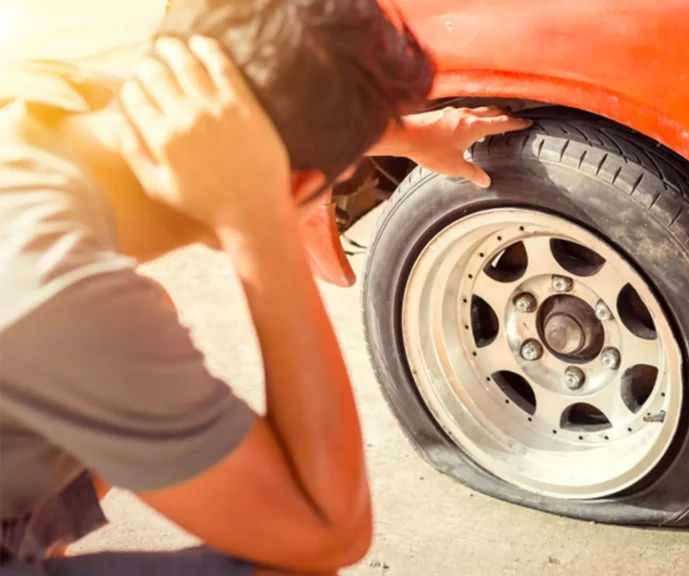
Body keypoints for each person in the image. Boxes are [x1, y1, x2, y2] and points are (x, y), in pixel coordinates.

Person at [0, 0, 531, 574]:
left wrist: (400, 134)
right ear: (296, 185)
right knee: (291, 556)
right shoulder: (63, 298)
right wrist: (261, 222)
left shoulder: (47, 97)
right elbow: (332, 534)